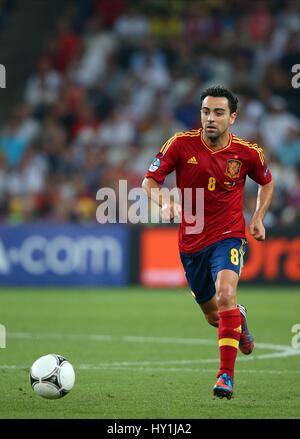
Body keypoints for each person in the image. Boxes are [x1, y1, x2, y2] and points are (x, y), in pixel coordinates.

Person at [142, 86, 274, 399]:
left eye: (218, 112)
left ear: (232, 117)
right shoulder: (180, 144)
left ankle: (225, 376)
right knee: (214, 315)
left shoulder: (247, 153)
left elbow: (267, 184)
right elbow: (149, 181)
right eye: (205, 112)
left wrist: (257, 218)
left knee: (225, 293)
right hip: (190, 243)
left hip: (228, 235)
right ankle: (238, 318)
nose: (210, 118)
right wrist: (164, 203)